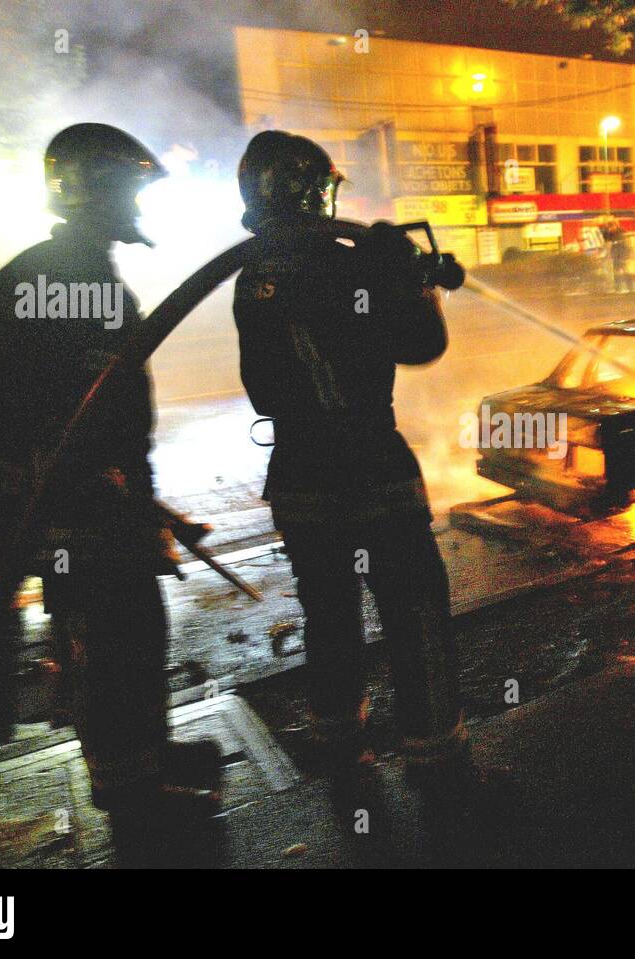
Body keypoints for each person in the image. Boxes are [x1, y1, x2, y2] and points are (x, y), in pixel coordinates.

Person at [0, 124, 218, 840]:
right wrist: (2, 523)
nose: (137, 204)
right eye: (128, 189)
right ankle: (131, 798)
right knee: (106, 652)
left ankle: (150, 754)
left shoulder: (92, 276)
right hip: (72, 519)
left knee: (139, 634)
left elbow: (99, 416)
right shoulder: (44, 281)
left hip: (110, 507)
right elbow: (6, 414)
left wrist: (146, 501)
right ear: (91, 190)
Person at [231, 131, 468, 778]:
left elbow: (264, 387)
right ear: (306, 191)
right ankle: (438, 760)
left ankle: (340, 744)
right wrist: (410, 281)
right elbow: (420, 344)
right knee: (414, 609)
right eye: (323, 189)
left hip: (300, 473)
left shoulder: (254, 276)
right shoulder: (345, 263)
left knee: (329, 614)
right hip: (369, 466)